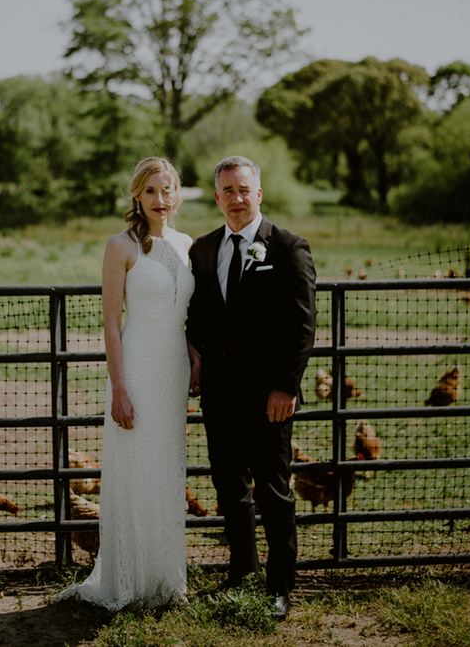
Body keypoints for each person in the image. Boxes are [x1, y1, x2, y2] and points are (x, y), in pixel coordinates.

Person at [58, 157, 197, 609]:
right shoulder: (121, 246)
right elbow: (112, 325)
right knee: (136, 469)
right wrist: (119, 387)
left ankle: (165, 579)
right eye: (152, 191)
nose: (162, 199)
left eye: (169, 189)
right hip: (136, 367)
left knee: (167, 471)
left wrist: (196, 359)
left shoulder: (187, 243)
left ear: (178, 193)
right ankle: (130, 582)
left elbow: (190, 315)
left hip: (174, 369)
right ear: (137, 195)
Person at [185, 156, 316, 620]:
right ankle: (242, 574)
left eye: (244, 190)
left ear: (259, 194)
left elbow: (302, 326)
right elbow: (198, 316)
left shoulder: (286, 247)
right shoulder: (203, 249)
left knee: (274, 491)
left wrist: (286, 386)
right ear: (217, 197)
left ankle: (280, 588)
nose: (236, 199)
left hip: (269, 399)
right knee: (229, 487)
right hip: (219, 395)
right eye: (227, 191)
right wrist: (194, 360)